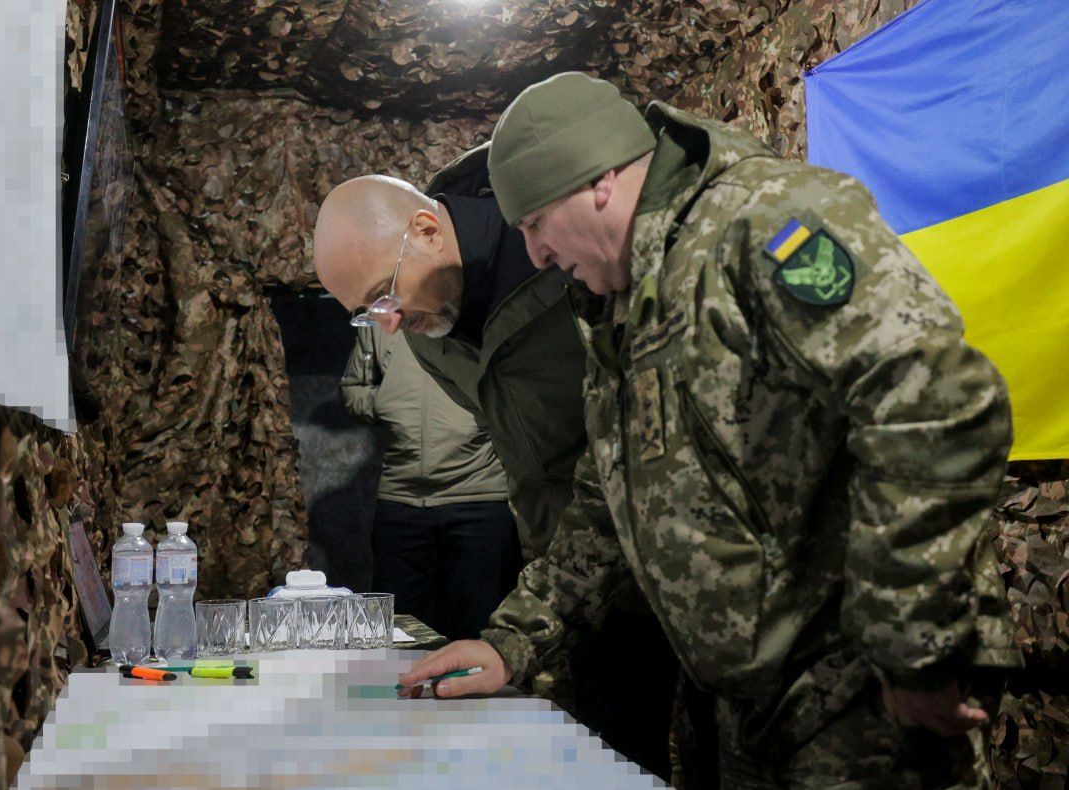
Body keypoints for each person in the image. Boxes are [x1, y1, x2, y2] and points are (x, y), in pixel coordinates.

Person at [398, 71, 1019, 788]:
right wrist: (511, 642)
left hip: (858, 688)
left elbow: (935, 402)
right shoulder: (618, 299)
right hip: (740, 699)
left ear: (597, 182)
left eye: (535, 224)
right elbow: (608, 499)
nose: (534, 254)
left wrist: (916, 644)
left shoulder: (762, 221)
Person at [314, 166, 679, 778]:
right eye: (367, 312)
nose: (390, 324)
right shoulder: (426, 323)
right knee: (596, 755)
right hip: (569, 573)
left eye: (384, 294)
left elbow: (618, 458)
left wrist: (521, 630)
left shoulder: (561, 256)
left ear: (427, 231)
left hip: (657, 555)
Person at [340, 325, 521, 640]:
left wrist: (488, 411)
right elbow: (353, 388)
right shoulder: (382, 320)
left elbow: (526, 385)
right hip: (401, 501)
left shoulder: (484, 313)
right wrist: (386, 401)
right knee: (396, 634)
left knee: (479, 633)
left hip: (479, 499)